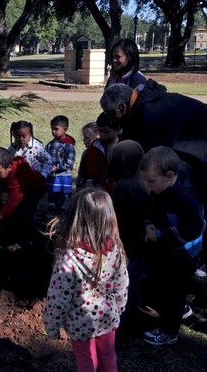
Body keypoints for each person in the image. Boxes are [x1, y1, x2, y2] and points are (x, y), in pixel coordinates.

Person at [43, 188, 129, 372]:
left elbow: (58, 297)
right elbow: (122, 281)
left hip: (81, 323)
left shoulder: (69, 258)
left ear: (76, 217)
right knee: (109, 355)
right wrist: (119, 307)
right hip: (108, 315)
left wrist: (51, 326)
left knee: (87, 364)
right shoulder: (115, 247)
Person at [100, 80, 207, 269]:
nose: (112, 119)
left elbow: (160, 156)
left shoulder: (152, 114)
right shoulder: (140, 104)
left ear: (123, 106)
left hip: (199, 146)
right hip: (187, 142)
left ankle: (189, 251)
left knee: (178, 190)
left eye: (111, 114)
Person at [138, 146, 205, 346]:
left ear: (169, 175)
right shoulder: (161, 188)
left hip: (183, 253)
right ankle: (167, 308)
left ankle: (168, 331)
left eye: (151, 181)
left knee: (174, 290)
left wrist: (159, 234)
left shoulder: (186, 197)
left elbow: (194, 228)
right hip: (167, 248)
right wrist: (148, 223)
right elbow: (152, 206)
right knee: (164, 283)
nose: (149, 187)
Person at [107, 140, 149, 329]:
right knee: (135, 279)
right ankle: (133, 315)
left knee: (124, 283)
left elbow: (116, 219)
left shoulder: (123, 187)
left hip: (125, 243)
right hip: (142, 241)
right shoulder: (145, 180)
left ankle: (122, 323)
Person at [0, 147, 47, 247]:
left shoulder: (16, 176)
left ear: (9, 167)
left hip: (35, 189)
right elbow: (8, 183)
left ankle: (27, 239)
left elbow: (12, 201)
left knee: (24, 211)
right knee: (16, 211)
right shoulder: (8, 170)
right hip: (24, 187)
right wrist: (2, 186)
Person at [76, 112, 120, 192]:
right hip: (96, 189)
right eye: (100, 131)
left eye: (106, 132)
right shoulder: (94, 148)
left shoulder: (123, 147)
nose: (102, 135)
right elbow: (85, 170)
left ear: (117, 129)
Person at [45, 115, 76, 216]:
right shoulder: (50, 144)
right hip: (52, 176)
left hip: (64, 177)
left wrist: (57, 167)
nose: (53, 131)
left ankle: (63, 215)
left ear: (65, 129)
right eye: (52, 129)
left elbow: (69, 163)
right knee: (52, 195)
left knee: (64, 197)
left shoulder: (68, 145)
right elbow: (45, 157)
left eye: (56, 129)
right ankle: (51, 214)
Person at [75, 121, 99, 190]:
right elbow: (81, 173)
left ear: (97, 136)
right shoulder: (85, 153)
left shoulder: (102, 153)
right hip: (86, 188)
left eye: (86, 137)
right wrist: (78, 187)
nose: (83, 140)